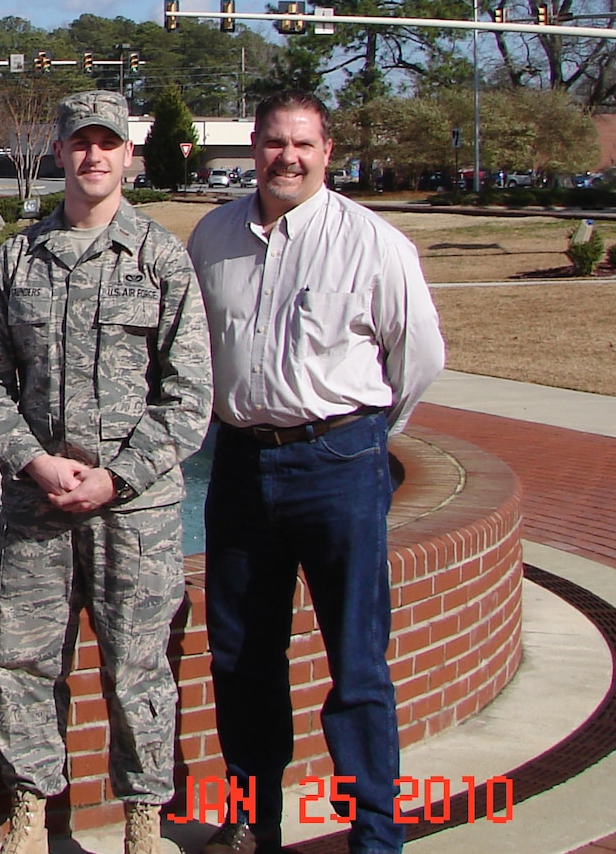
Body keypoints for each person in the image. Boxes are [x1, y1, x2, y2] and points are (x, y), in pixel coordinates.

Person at [187, 91, 445, 854]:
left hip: (339, 463)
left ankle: (373, 829)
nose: (285, 157)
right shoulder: (213, 236)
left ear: (327, 151)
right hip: (238, 463)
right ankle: (249, 817)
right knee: (240, 653)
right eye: (272, 142)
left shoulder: (374, 244)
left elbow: (419, 358)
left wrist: (360, 438)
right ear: (254, 148)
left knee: (357, 657)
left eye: (302, 143)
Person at [0, 91, 209, 854]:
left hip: (135, 516)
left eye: (108, 142)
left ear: (128, 154)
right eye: (79, 142)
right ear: (60, 152)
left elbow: (191, 394)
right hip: (39, 508)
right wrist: (34, 461)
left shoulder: (162, 258)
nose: (93, 155)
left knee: (139, 670)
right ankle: (29, 811)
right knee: (23, 661)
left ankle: (143, 818)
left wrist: (118, 477)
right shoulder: (18, 258)